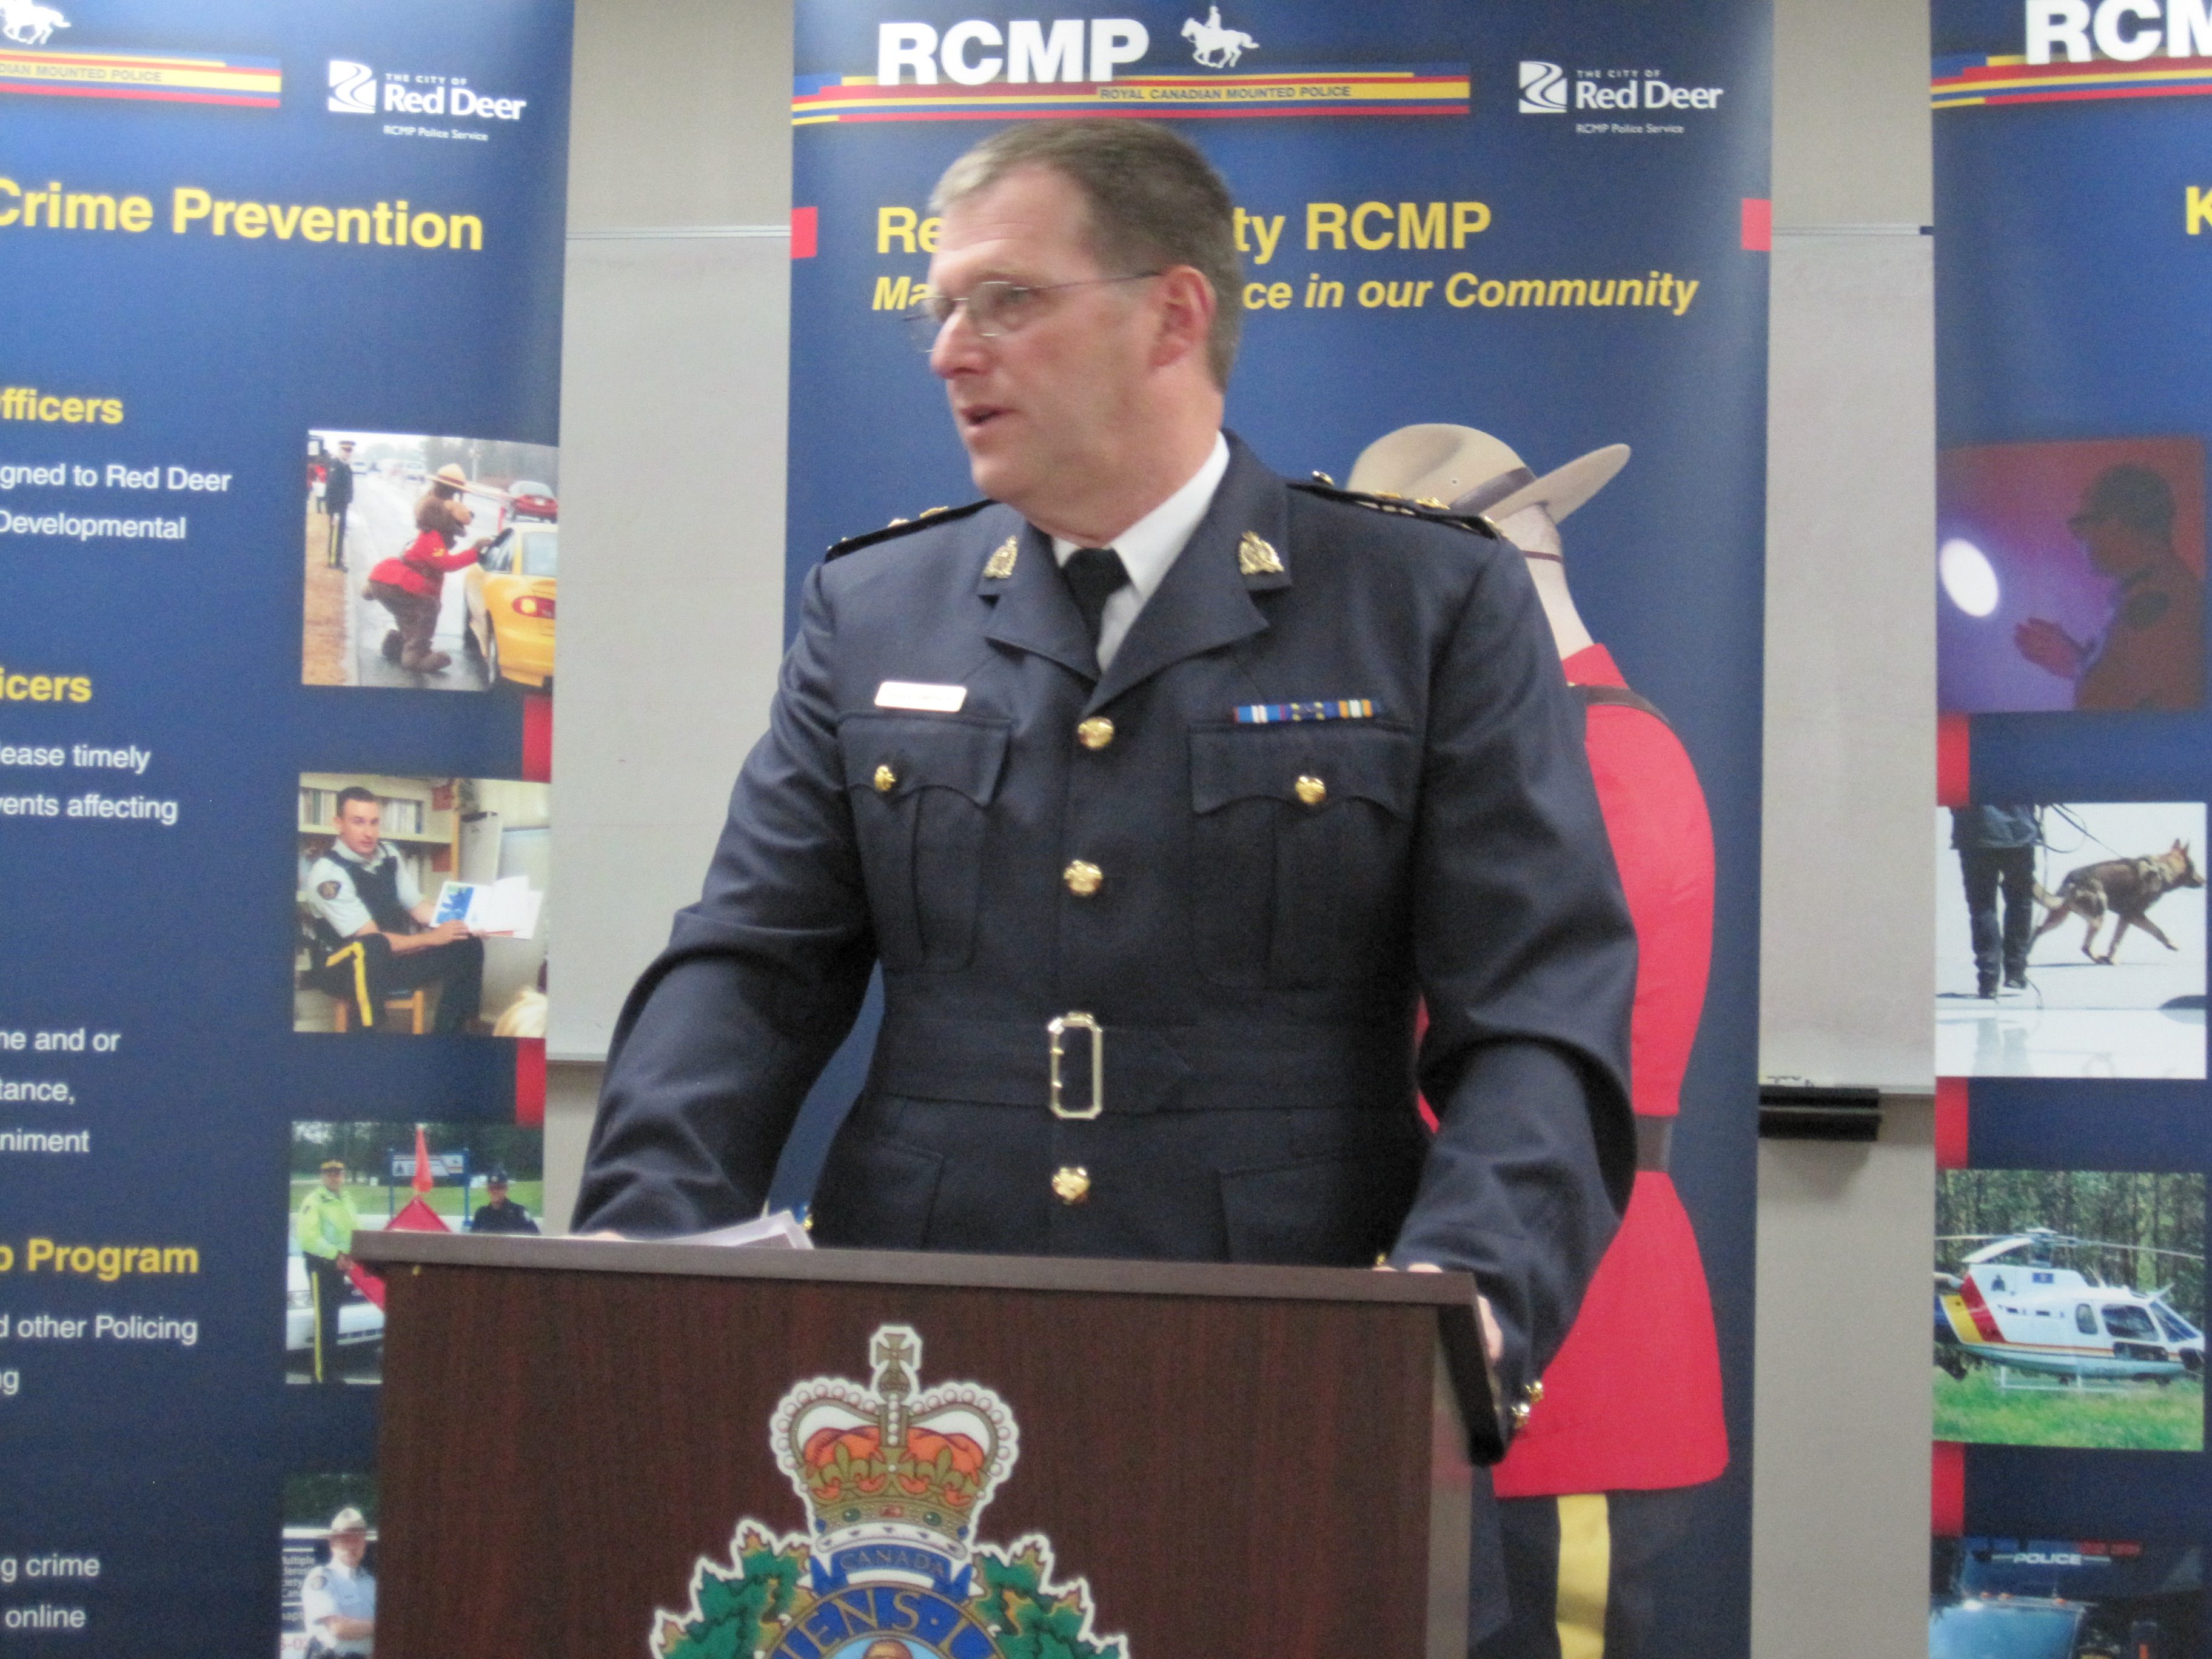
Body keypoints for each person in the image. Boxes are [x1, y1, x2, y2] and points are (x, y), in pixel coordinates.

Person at [575, 119, 1635, 1638]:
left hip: (1292, 1357)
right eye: (940, 306)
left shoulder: (1421, 599)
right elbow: (750, 962)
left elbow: (1537, 1013)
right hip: (920, 1382)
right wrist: (636, 1248)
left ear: (1174, 312)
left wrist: (1460, 1300)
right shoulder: (879, 606)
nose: (951, 349)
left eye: (1006, 300)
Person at [1352, 426, 1728, 1659]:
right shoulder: (1571, 749)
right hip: (1531, 1308)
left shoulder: (1590, 764)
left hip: (1571, 1322)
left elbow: (1534, 1071)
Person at [2014, 464, 2204, 711]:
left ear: (2116, 523)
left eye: (2082, 521)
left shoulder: (2163, 605)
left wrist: (2082, 668)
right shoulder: (2156, 594)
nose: (2077, 536)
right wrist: (2078, 662)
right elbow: (2134, 686)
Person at [303, 786, 484, 1034]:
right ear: (339, 824)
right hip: (341, 966)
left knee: (467, 943)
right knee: (371, 947)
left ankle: (449, 1034)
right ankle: (366, 1037)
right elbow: (370, 938)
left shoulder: (389, 854)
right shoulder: (327, 875)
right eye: (358, 822)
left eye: (374, 823)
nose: (369, 833)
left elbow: (419, 908)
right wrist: (431, 939)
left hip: (391, 958)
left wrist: (469, 923)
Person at [366, 463, 490, 674]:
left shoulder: (434, 531)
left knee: (413, 616)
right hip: (399, 583)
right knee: (427, 608)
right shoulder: (432, 535)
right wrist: (475, 552)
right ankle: (416, 657)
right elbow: (446, 564)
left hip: (391, 581)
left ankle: (395, 645)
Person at [1949, 805, 2042, 998]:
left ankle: (1988, 980)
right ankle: (2015, 971)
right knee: (2020, 901)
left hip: (1974, 832)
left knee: (1982, 907)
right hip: (2019, 832)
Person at [295, 1159, 361, 1386]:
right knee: (324, 1323)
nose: (335, 1177)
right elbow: (308, 1238)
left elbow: (353, 1231)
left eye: (339, 1173)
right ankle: (321, 1376)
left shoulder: (346, 1199)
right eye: (330, 1173)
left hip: (341, 1266)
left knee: (333, 1321)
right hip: (321, 1266)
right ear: (322, 1176)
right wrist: (336, 1255)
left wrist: (355, 1253)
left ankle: (331, 1373)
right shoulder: (315, 1201)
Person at [299, 1506, 375, 1656]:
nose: (352, 1545)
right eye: (346, 1539)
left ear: (365, 1543)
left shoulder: (371, 1583)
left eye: (358, 1539)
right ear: (333, 1543)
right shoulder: (322, 1579)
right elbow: (338, 1628)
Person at [468, 1170, 540, 1234]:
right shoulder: (482, 1214)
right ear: (488, 1190)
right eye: (492, 1188)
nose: (495, 1191)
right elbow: (473, 1241)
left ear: (506, 1189)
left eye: (499, 1187)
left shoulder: (518, 1212)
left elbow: (535, 1238)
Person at [323, 440, 356, 569]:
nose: (348, 453)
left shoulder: (345, 466)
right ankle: (333, 561)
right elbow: (332, 488)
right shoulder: (336, 465)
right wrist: (333, 509)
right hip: (337, 506)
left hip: (342, 506)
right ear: (340, 450)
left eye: (350, 451)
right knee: (336, 533)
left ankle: (338, 559)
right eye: (346, 450)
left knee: (340, 532)